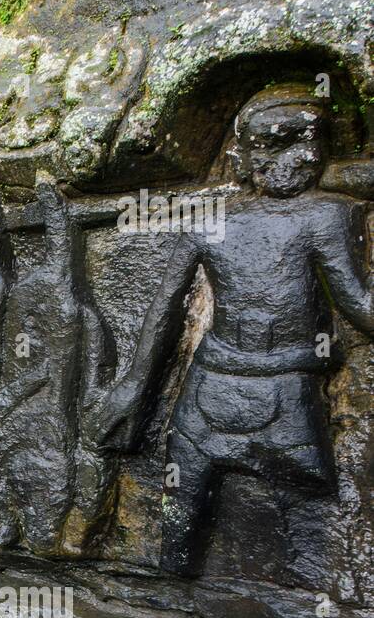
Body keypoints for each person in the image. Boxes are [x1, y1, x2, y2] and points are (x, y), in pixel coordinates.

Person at [85, 84, 374, 576]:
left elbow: (359, 308)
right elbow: (165, 309)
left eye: (305, 141)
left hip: (284, 391)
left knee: (306, 531)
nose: (292, 158)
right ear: (241, 156)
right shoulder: (213, 222)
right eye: (272, 144)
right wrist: (134, 385)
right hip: (212, 386)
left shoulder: (326, 213)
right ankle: (177, 598)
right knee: (180, 516)